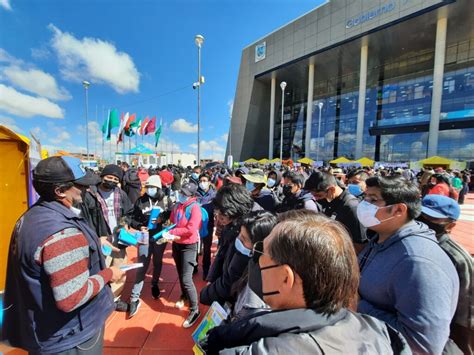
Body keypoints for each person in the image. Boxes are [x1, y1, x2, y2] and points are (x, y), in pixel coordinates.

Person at [200, 211, 409, 354]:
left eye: (259, 255)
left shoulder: (271, 349)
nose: (254, 263)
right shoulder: (378, 330)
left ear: (285, 278)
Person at [4, 156, 125, 354]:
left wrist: (94, 240)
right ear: (59, 191)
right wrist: (109, 274)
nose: (86, 189)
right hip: (71, 337)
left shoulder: (34, 216)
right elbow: (72, 297)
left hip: (47, 330)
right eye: (80, 185)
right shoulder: (61, 233)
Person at [357, 175, 459, 354]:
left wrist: (356, 305)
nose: (364, 205)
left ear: (398, 210)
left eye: (373, 200)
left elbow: (422, 345)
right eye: (365, 198)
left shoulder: (418, 262)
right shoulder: (379, 238)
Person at [418, 195, 473, 354]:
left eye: (432, 219)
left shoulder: (457, 257)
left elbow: (467, 305)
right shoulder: (415, 242)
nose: (423, 221)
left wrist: (461, 337)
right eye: (421, 215)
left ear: (450, 225)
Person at [87, 164, 134, 311]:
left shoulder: (121, 194)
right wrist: (94, 237)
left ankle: (115, 299)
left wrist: (125, 224)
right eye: (109, 177)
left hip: (119, 239)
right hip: (101, 239)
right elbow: (85, 218)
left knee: (120, 269)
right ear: (102, 176)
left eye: (115, 178)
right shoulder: (90, 195)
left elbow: (128, 212)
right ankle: (99, 300)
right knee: (101, 270)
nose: (111, 180)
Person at [127, 175, 172, 318]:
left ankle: (154, 284)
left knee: (157, 262)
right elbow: (131, 219)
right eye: (148, 187)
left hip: (160, 237)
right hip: (144, 236)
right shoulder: (141, 201)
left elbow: (171, 216)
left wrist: (163, 219)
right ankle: (134, 297)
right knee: (142, 264)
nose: (149, 190)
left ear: (159, 188)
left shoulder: (166, 200)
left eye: (152, 187)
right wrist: (140, 226)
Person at [167, 182, 202, 328]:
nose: (182, 196)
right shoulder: (177, 206)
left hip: (189, 245)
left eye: (185, 194)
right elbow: (173, 221)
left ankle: (195, 309)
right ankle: (184, 296)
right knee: (181, 274)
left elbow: (191, 229)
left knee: (187, 278)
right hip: (176, 244)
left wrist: (173, 233)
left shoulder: (195, 209)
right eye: (181, 193)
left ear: (192, 196)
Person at [304, 171, 367, 252]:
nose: (316, 199)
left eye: (318, 195)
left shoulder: (351, 207)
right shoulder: (329, 202)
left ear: (332, 189)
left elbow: (360, 245)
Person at [231, 211, 277, 319]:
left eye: (244, 239)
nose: (238, 239)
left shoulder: (258, 292)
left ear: (260, 245)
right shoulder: (253, 263)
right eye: (239, 234)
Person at [206, 184, 254, 288]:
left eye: (222, 214)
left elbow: (234, 274)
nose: (219, 219)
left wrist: (210, 293)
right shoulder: (229, 226)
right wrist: (211, 278)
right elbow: (221, 254)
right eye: (217, 213)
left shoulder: (250, 232)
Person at [196, 173, 216, 279]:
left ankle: (206, 270)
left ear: (209, 182)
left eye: (205, 181)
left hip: (208, 225)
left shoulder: (214, 195)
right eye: (201, 181)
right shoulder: (195, 194)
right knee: (195, 247)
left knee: (207, 248)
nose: (202, 183)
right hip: (195, 225)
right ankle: (194, 266)